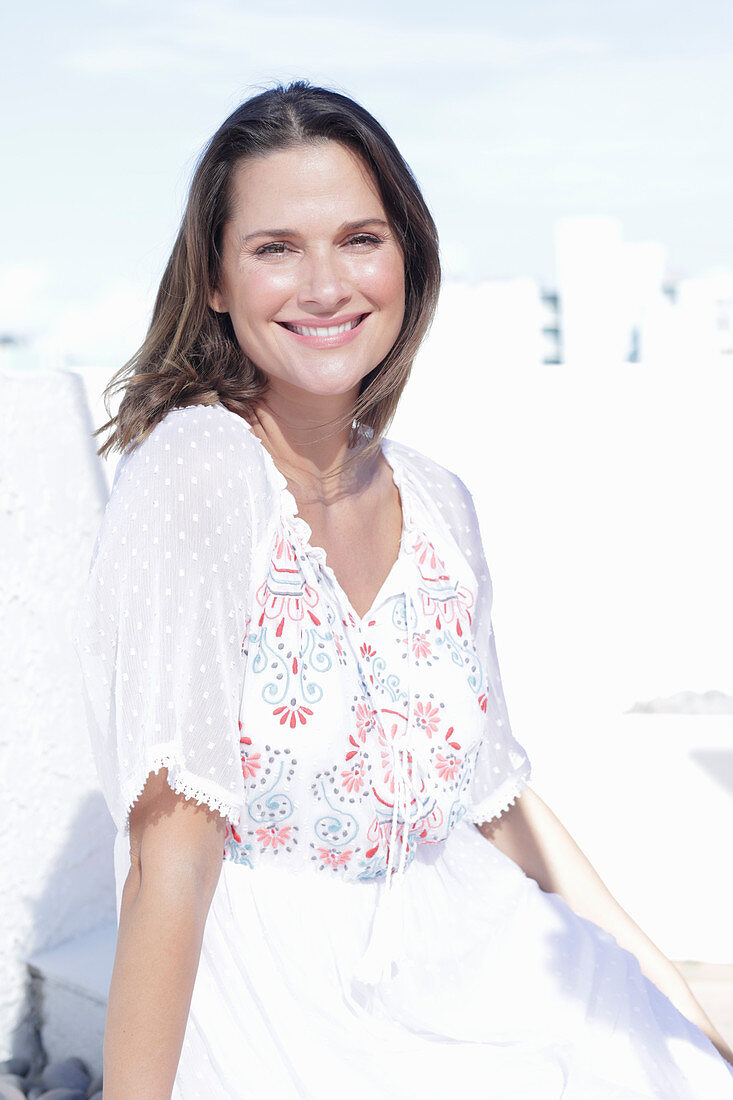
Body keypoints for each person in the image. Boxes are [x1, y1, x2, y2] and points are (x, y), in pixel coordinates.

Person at [71, 79, 733, 1099]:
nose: (325, 284)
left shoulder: (436, 500)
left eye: (360, 238)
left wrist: (682, 1018)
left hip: (475, 958)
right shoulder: (199, 469)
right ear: (214, 279)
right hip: (293, 1011)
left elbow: (498, 801)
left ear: (409, 257)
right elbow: (173, 846)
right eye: (275, 247)